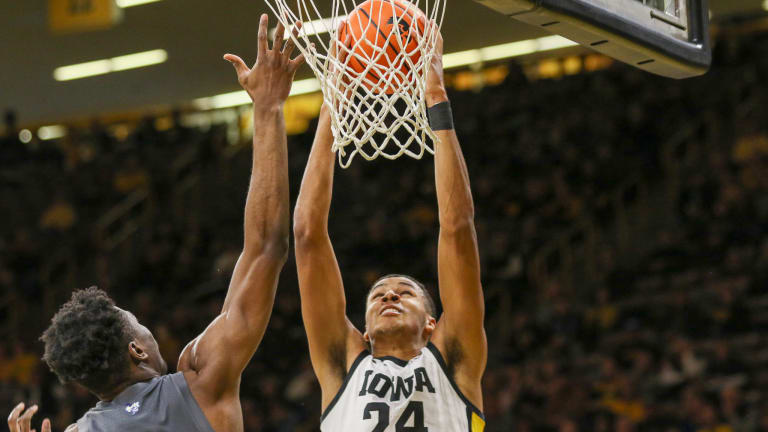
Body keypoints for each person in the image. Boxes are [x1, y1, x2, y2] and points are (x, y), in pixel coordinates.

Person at [7, 14, 304, 432]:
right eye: (140, 326)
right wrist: (268, 108)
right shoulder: (201, 382)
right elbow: (267, 248)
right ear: (137, 351)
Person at [293, 23, 487, 431]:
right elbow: (307, 235)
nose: (390, 295)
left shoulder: (454, 357)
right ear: (363, 331)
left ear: (432, 324)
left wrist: (436, 96)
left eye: (405, 292)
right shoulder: (343, 365)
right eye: (378, 295)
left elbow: (457, 226)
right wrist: (333, 105)